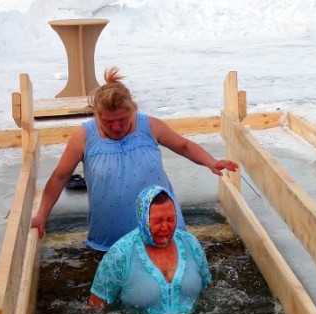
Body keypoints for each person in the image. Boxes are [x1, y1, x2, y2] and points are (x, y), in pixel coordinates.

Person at [30, 66, 238, 251]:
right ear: (96, 114)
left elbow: (184, 146)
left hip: (162, 233)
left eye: (122, 119)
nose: (116, 127)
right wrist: (41, 215)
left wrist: (210, 161)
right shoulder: (85, 136)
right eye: (108, 121)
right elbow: (59, 177)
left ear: (133, 110)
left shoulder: (150, 126)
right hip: (109, 241)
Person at [89, 185, 211, 314]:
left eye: (170, 220)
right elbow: (96, 309)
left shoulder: (190, 243)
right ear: (143, 220)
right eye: (158, 221)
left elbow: (208, 290)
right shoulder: (120, 254)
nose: (165, 227)